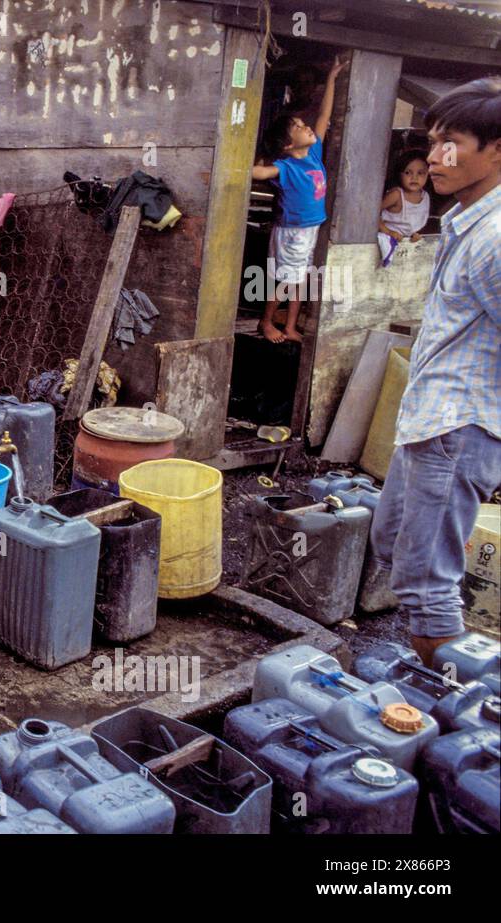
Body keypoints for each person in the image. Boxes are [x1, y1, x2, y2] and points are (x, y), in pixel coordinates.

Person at [370, 76, 501, 665]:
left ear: (497, 149)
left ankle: (465, 731)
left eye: (452, 142)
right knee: (391, 545)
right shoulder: (466, 221)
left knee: (425, 589)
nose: (434, 157)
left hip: (457, 427)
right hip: (431, 423)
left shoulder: (496, 237)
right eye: (432, 141)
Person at [251, 55, 347, 343]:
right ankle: (266, 321)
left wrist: (331, 79)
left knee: (301, 278)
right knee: (289, 279)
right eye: (298, 126)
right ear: (288, 144)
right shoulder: (286, 167)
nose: (306, 126)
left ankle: (290, 326)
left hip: (309, 229)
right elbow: (258, 172)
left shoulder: (314, 152)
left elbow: (324, 117)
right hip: (292, 233)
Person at [376, 149, 432, 266]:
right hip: (386, 237)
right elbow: (372, 213)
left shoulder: (425, 196)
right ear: (399, 174)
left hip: (404, 243)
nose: (414, 178)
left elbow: (412, 222)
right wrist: (388, 231)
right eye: (408, 173)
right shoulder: (396, 194)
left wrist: (415, 233)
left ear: (428, 174)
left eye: (420, 173)